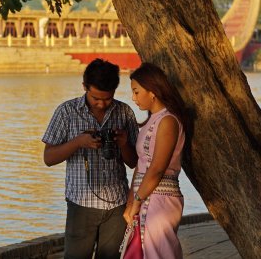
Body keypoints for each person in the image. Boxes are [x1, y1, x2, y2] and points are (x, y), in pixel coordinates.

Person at [42, 58, 139, 259]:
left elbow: (134, 162)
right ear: (84, 87)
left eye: (108, 98)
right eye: (96, 98)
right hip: (81, 203)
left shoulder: (124, 112)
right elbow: (48, 158)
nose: (102, 104)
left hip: (117, 203)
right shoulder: (67, 112)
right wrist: (78, 142)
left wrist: (123, 143)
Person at [124, 62, 187, 259]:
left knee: (160, 253)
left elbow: (157, 169)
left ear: (152, 92)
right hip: (145, 195)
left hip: (160, 198)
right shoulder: (152, 120)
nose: (133, 98)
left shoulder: (168, 121)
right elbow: (141, 165)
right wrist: (130, 201)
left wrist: (137, 202)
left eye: (136, 92)